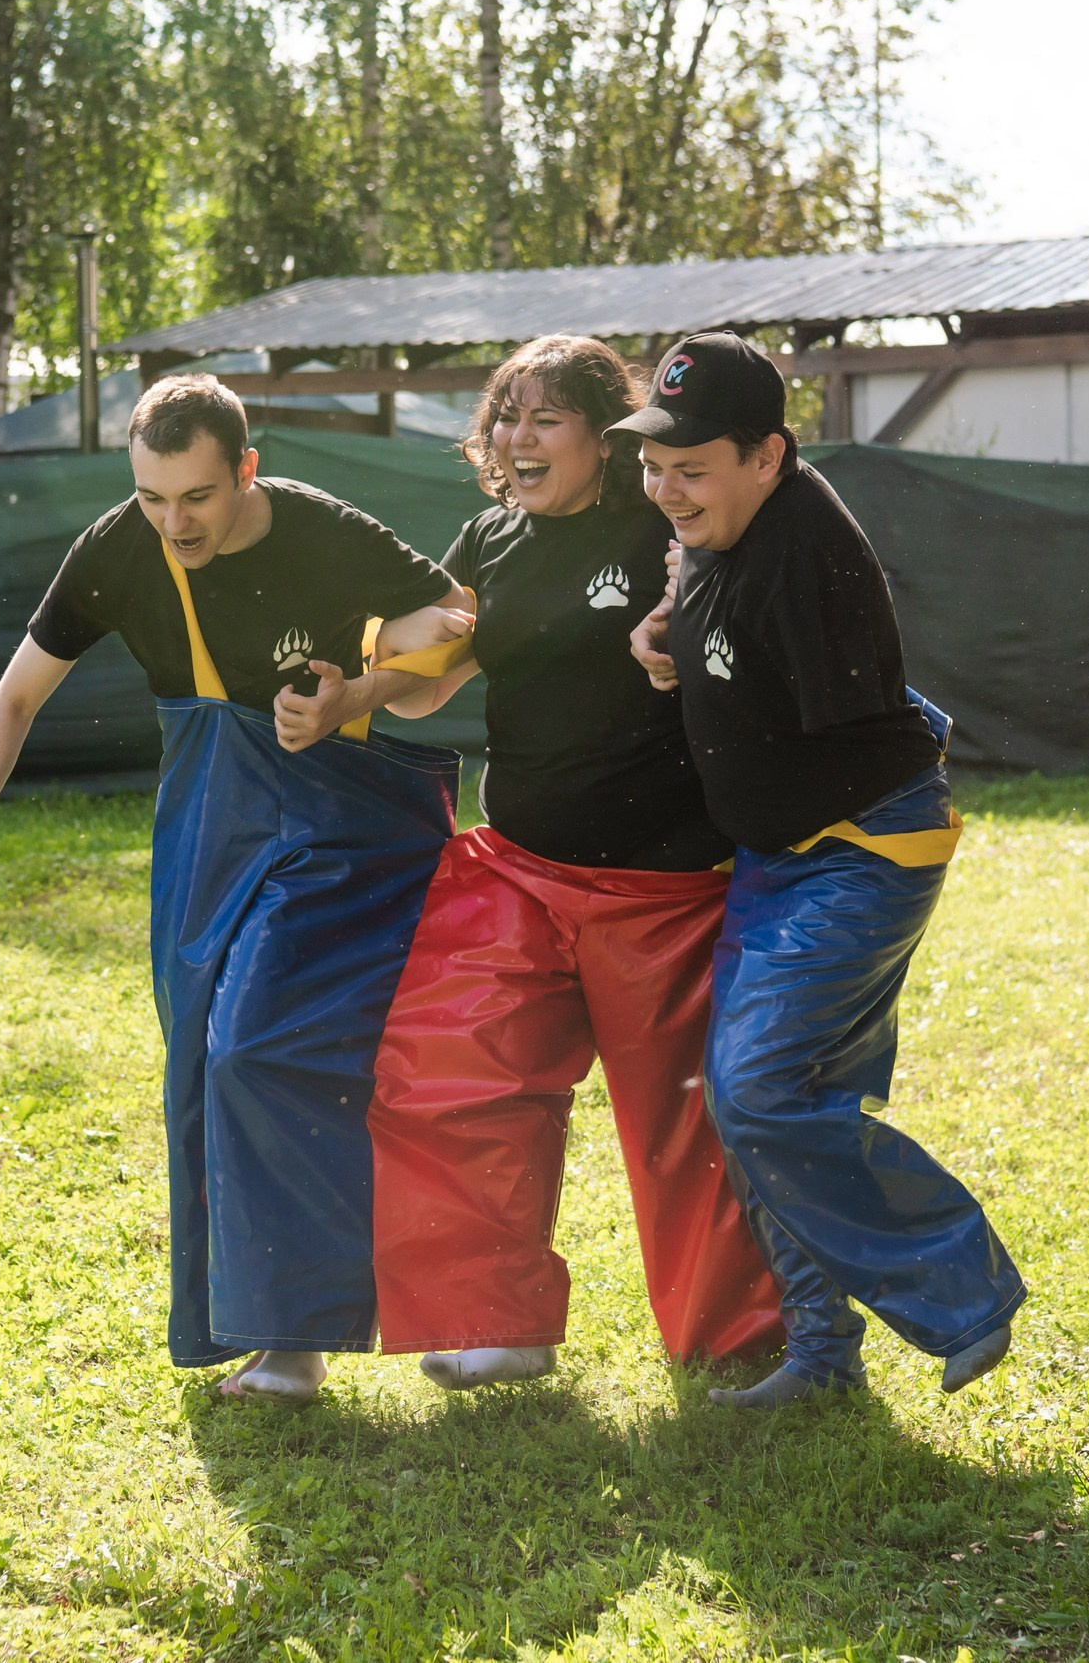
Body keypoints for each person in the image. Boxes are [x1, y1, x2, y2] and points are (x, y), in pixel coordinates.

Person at [0, 374, 476, 1403]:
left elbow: (455, 634)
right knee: (199, 1072)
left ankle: (302, 1341)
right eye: (152, 497)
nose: (173, 522)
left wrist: (361, 689)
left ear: (244, 470)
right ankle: (274, 1335)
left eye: (197, 497)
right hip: (204, 836)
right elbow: (15, 698)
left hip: (338, 831)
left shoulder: (322, 527)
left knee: (252, 1047)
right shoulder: (118, 545)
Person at [363, 336, 782, 1391]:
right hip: (517, 869)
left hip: (666, 885)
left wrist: (677, 616)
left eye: (543, 418)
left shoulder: (658, 522)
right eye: (505, 416)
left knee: (681, 1116)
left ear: (604, 437)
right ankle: (491, 1322)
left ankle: (731, 1333)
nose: (516, 437)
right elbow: (424, 676)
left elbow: (729, 594)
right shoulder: (488, 538)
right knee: (452, 1074)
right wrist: (355, 676)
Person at [622, 332, 1022, 1409]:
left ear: (769, 454)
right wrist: (670, 628)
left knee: (756, 1092)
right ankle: (820, 1354)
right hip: (779, 849)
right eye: (654, 463)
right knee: (765, 1097)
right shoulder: (728, 517)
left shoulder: (806, 555)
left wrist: (698, 652)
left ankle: (962, 1286)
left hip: (857, 845)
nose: (665, 488)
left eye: (690, 467)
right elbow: (708, 614)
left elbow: (865, 714)